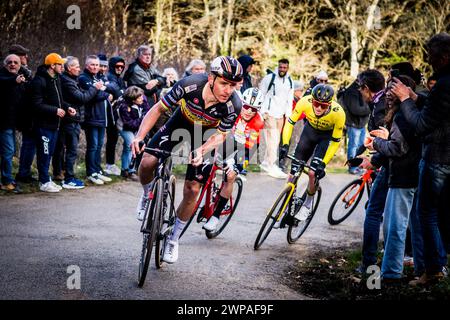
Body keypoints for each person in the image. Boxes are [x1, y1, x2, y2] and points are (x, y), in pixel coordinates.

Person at [131, 56, 243, 264]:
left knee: (192, 189)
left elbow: (221, 135)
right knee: (147, 162)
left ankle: (174, 239)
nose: (228, 90)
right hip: (180, 122)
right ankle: (148, 195)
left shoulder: (234, 104)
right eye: (224, 83)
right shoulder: (188, 85)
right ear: (211, 78)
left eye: (233, 85)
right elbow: (157, 110)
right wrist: (139, 136)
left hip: (206, 135)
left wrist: (202, 150)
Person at [390, 33, 450, 286]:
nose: (429, 62)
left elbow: (422, 125)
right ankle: (437, 265)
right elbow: (440, 110)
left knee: (426, 213)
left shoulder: (445, 82)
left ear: (444, 56)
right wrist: (416, 98)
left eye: (432, 57)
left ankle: (434, 269)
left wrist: (405, 99)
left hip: (438, 157)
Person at [365, 75, 424, 282]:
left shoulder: (403, 117)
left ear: (405, 91)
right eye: (388, 89)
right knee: (410, 226)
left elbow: (398, 148)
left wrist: (376, 144)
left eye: (393, 89)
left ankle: (390, 274)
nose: (388, 94)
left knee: (394, 227)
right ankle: (421, 268)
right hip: (408, 175)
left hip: (404, 176)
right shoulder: (406, 114)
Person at [279, 84, 345, 223]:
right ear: (312, 100)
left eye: (323, 106)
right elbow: (290, 123)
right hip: (309, 133)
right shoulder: (304, 101)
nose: (319, 108)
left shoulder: (338, 113)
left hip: (325, 138)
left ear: (330, 104)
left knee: (312, 173)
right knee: (292, 173)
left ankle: (308, 204)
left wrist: (323, 163)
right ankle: (286, 205)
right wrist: (285, 144)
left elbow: (334, 142)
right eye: (316, 103)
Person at [203, 87, 265, 231]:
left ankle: (216, 216)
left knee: (230, 175)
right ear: (241, 103)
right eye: (247, 106)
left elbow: (249, 148)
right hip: (229, 139)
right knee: (207, 161)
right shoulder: (233, 109)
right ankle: (208, 190)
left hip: (245, 147)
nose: (249, 111)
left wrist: (234, 164)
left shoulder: (257, 122)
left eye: (253, 109)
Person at [354, 69, 388, 273]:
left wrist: (374, 161)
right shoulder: (379, 103)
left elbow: (389, 141)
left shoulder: (381, 106)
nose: (359, 92)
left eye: (360, 88)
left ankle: (369, 265)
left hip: (392, 165)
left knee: (373, 211)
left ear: (367, 88)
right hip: (391, 162)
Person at [30, 53, 75, 193]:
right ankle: (43, 182)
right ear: (52, 66)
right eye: (60, 64)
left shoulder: (57, 79)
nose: (63, 67)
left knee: (49, 153)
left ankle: (46, 179)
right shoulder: (39, 81)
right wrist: (55, 110)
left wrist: (67, 108)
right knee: (44, 154)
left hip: (55, 125)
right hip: (43, 125)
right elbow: (36, 104)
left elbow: (60, 101)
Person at [59, 56, 102, 189]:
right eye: (76, 66)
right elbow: (83, 97)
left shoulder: (73, 79)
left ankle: (64, 175)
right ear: (68, 68)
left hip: (75, 119)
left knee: (68, 149)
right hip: (70, 121)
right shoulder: (67, 81)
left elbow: (83, 93)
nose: (79, 69)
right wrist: (95, 88)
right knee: (71, 150)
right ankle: (68, 179)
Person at [79, 55, 114, 185]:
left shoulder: (99, 77)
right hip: (91, 117)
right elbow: (93, 96)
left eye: (96, 65)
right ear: (87, 65)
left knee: (99, 146)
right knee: (92, 146)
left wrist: (103, 91)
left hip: (102, 117)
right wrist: (105, 94)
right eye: (92, 64)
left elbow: (112, 89)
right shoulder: (83, 78)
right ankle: (91, 173)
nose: (95, 67)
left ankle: (97, 170)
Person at [259, 58, 293, 179]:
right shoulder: (270, 78)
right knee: (272, 139)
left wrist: (288, 115)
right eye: (280, 67)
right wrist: (262, 111)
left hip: (281, 115)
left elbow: (290, 98)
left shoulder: (289, 80)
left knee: (276, 140)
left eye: (284, 68)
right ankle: (271, 164)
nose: (282, 70)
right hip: (269, 113)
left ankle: (266, 162)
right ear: (277, 67)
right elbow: (261, 94)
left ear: (287, 68)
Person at [9, 45, 36, 184]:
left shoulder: (26, 71)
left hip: (28, 113)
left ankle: (24, 173)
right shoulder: (13, 71)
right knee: (24, 145)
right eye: (24, 55)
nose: (26, 57)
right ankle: (20, 175)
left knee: (28, 144)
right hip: (19, 114)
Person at [0, 54, 27, 192]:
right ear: (5, 65)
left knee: (9, 151)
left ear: (19, 65)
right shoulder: (4, 77)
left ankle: (7, 179)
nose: (12, 64)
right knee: (8, 151)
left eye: (15, 62)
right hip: (3, 123)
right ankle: (6, 181)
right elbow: (3, 81)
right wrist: (14, 81)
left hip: (12, 123)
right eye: (9, 62)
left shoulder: (20, 79)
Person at [116, 86, 150, 180]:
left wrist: (144, 117)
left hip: (136, 127)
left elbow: (148, 111)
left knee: (135, 146)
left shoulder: (142, 99)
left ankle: (130, 169)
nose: (142, 99)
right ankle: (127, 170)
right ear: (133, 100)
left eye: (141, 96)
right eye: (139, 98)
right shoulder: (124, 107)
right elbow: (129, 124)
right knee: (130, 145)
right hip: (125, 128)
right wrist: (142, 119)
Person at [338, 80, 371, 174]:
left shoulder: (359, 91)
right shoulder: (351, 92)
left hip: (361, 124)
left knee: (360, 146)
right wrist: (370, 108)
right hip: (353, 124)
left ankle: (358, 166)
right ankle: (352, 167)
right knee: (353, 146)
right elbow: (356, 110)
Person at [103, 56, 127, 177]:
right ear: (112, 66)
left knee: (114, 139)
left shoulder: (120, 79)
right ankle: (108, 165)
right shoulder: (109, 77)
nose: (120, 68)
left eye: (122, 67)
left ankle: (110, 164)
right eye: (117, 66)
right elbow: (117, 91)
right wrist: (120, 92)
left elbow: (124, 93)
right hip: (108, 113)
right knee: (110, 139)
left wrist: (121, 92)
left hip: (117, 114)